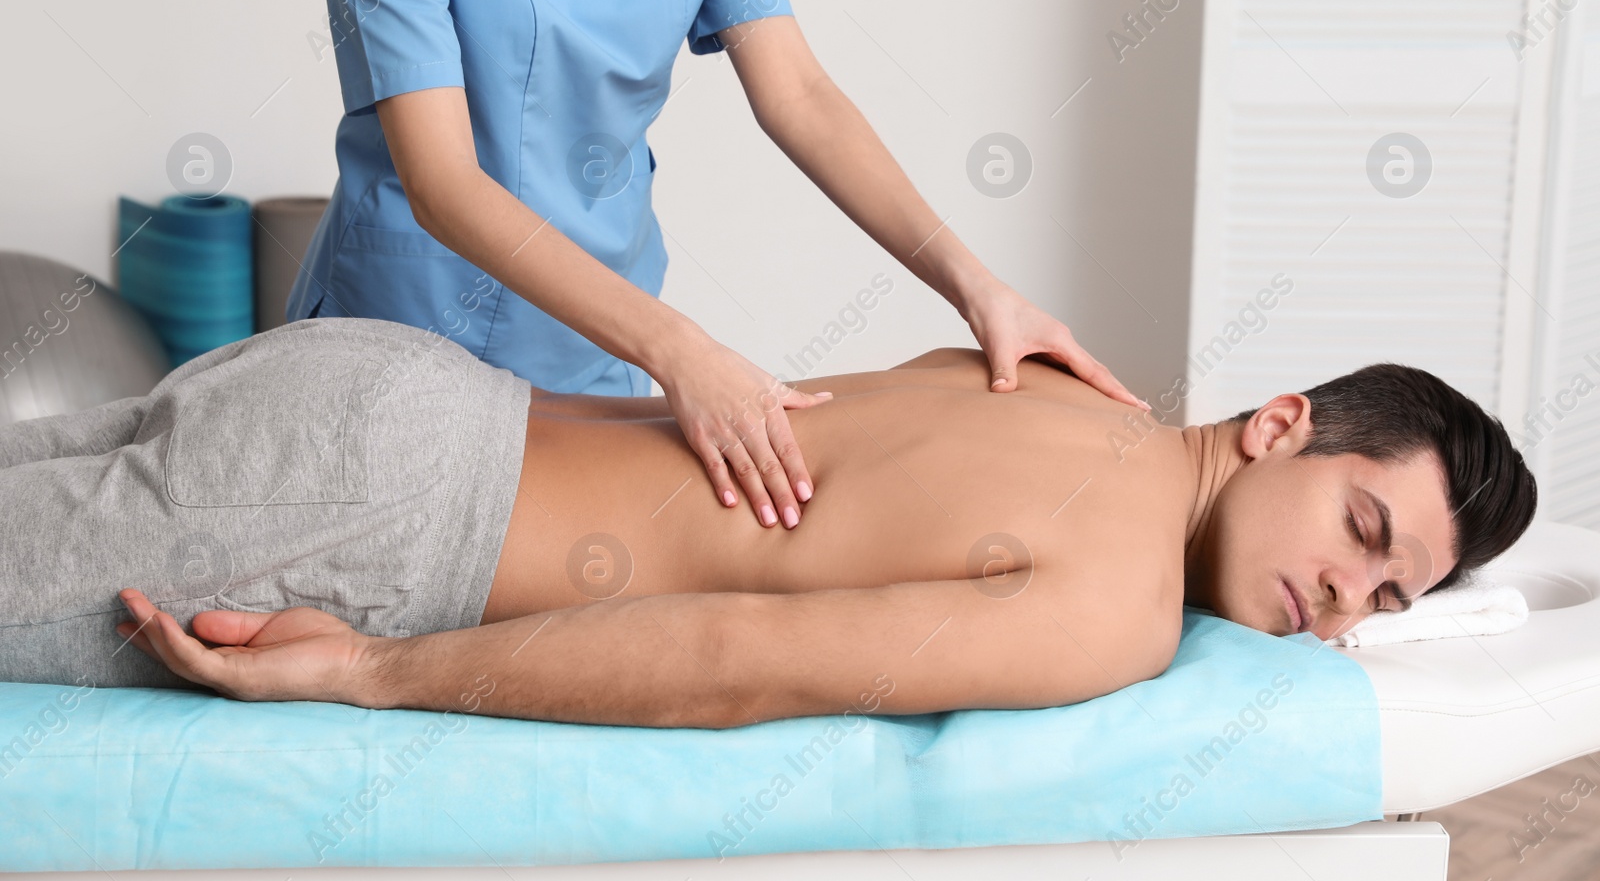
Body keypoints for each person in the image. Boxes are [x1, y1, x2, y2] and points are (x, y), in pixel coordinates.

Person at [1, 316, 1535, 726]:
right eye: (1360, 526)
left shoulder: (1049, 377)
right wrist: (371, 669)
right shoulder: (1115, 607)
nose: (1340, 598)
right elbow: (735, 653)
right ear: (1282, 424)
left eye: (1386, 599)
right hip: (394, 513)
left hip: (390, 383)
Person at [286, 0, 1147, 535]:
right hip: (417, 327)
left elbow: (798, 94)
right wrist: (683, 353)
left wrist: (979, 289)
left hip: (600, 342)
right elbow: (442, 181)